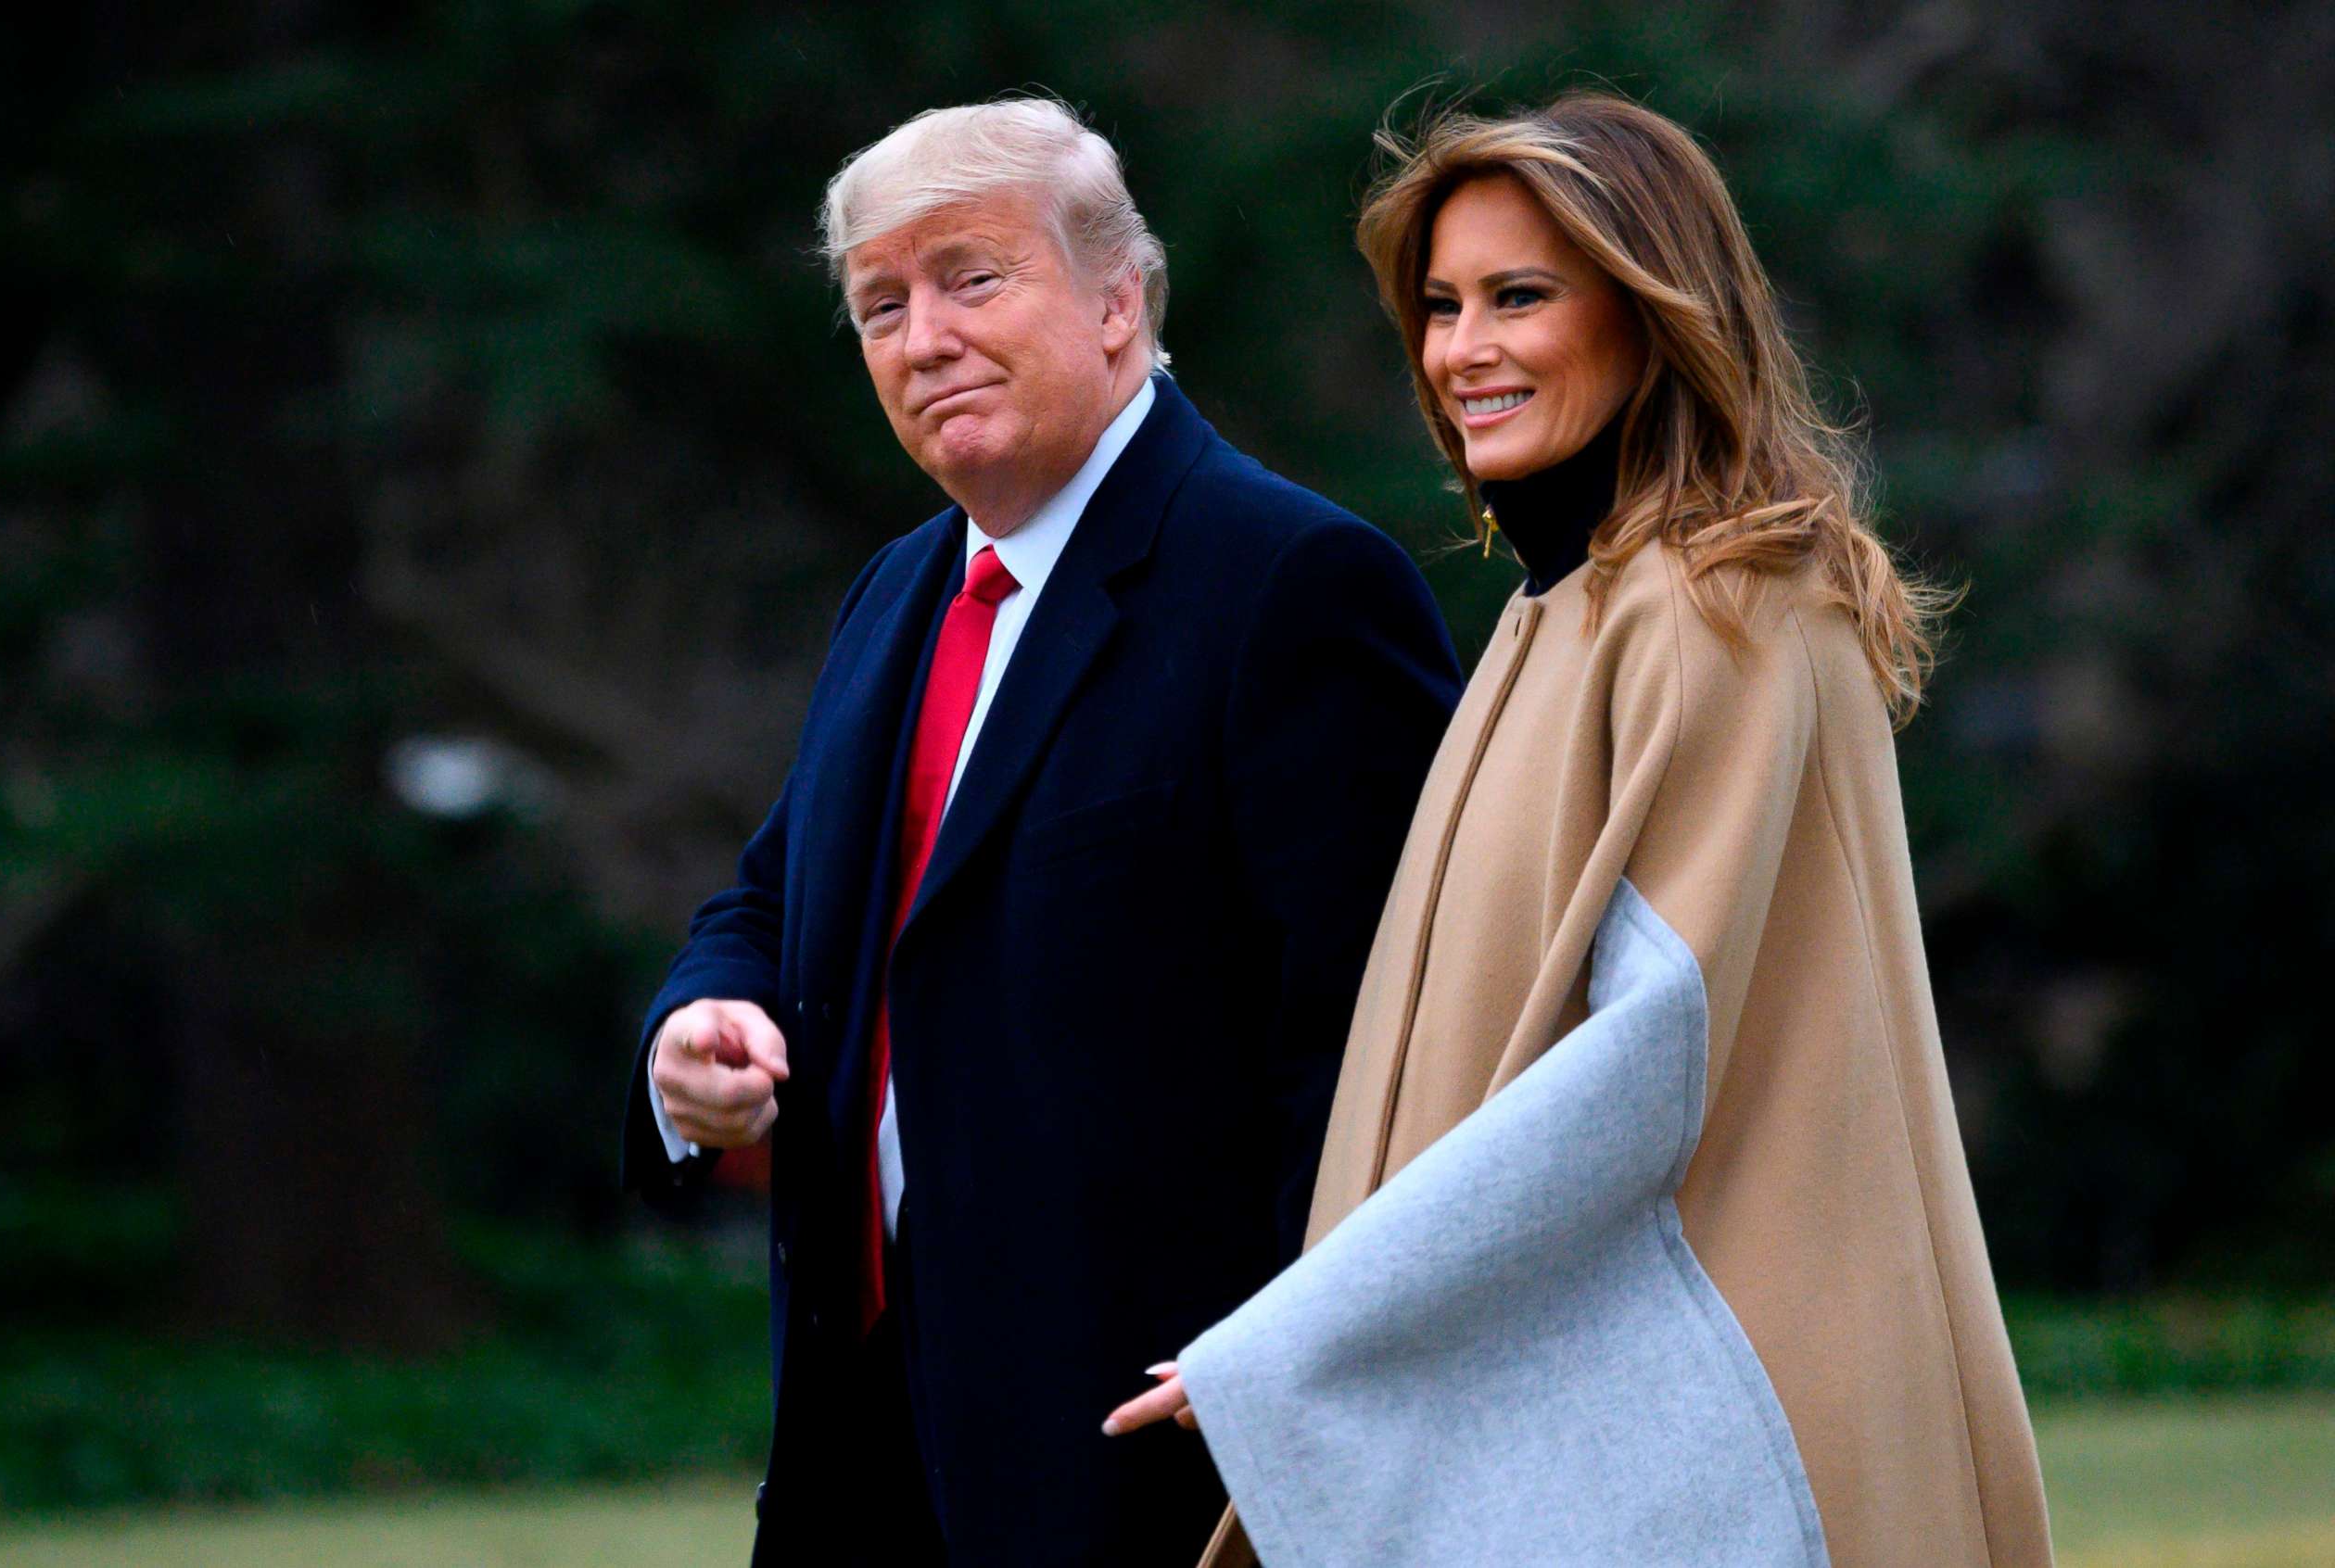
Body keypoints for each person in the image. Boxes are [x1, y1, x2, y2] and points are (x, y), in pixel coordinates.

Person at [1106, 94, 2055, 1568]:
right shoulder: (1563, 609)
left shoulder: (1720, 603)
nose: (1461, 350)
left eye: (1517, 298)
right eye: (1438, 306)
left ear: (1653, 310)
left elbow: (1647, 1056)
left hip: (1731, 1412)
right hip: (1611, 1405)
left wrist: (1305, 1334)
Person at [620, 96, 1461, 1566]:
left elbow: (1380, 1053)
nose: (922, 336)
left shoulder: (1292, 582)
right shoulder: (895, 597)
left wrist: (1277, 1376)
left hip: (1154, 1458)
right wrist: (698, 1023)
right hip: (859, 1443)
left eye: (972, 277)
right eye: (881, 303)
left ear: (1120, 301)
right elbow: (770, 900)